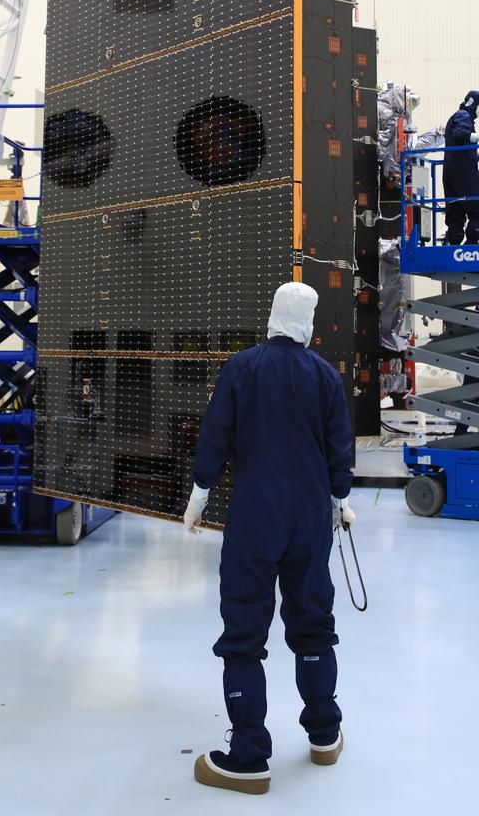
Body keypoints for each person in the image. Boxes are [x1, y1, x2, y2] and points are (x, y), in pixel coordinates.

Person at [183, 282, 355, 796]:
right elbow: (338, 446)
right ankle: (325, 734)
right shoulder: (325, 377)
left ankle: (249, 757)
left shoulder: (242, 368)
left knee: (244, 630)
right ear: (310, 320)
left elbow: (216, 433)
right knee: (312, 622)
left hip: (255, 516)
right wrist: (341, 501)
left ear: (272, 315)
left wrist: (199, 494)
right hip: (309, 517)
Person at [442, 90, 479, 245]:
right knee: (478, 207)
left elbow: (456, 142)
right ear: (473, 102)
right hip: (464, 170)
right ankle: (472, 242)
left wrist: (475, 153)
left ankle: (455, 243)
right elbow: (460, 134)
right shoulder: (463, 115)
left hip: (450, 171)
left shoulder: (456, 116)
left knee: (455, 210)